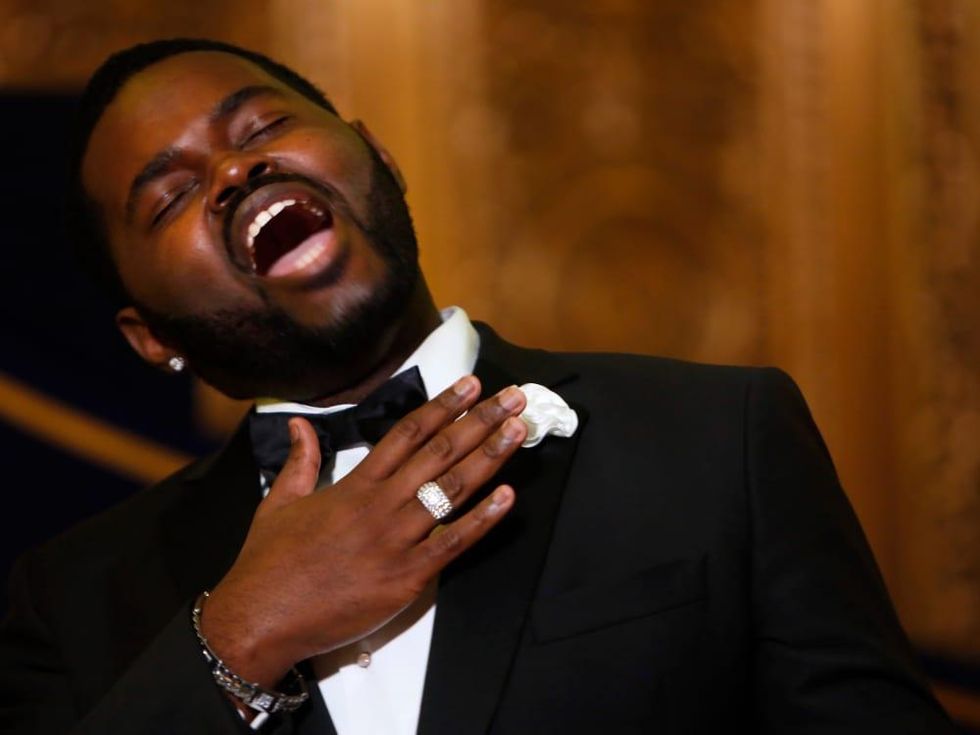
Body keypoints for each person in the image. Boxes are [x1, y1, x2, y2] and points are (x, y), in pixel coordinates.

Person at [0, 38, 956, 735]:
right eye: (167, 196)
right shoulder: (74, 594)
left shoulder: (715, 441)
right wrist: (245, 633)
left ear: (379, 157)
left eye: (263, 127)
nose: (235, 170)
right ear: (149, 334)